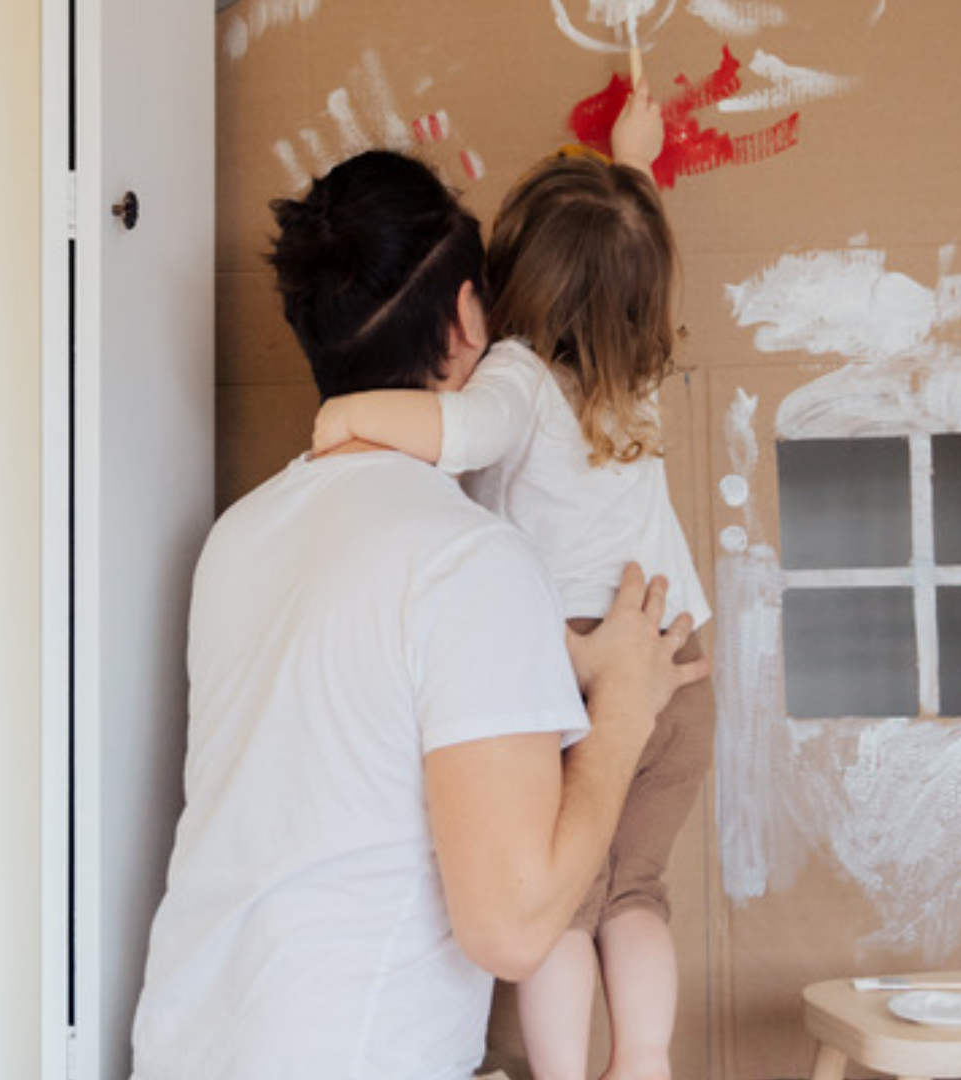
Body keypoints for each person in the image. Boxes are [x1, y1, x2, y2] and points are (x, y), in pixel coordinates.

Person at [127, 147, 709, 1080]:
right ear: (469, 318)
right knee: (617, 902)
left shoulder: (237, 538)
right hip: (356, 1060)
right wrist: (627, 704)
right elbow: (517, 926)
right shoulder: (470, 562)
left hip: (186, 1050)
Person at [310, 81, 715, 1080]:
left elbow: (450, 434)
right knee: (638, 893)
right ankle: (650, 1059)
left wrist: (345, 419)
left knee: (566, 904)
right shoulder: (641, 369)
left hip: (574, 673)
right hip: (678, 661)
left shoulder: (518, 379)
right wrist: (636, 165)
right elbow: (629, 248)